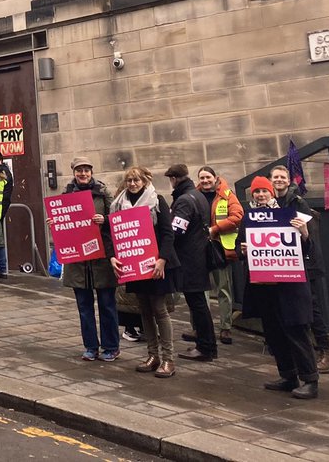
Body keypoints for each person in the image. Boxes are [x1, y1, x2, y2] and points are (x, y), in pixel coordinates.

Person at [242, 176, 319, 399]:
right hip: (265, 286)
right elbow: (240, 246)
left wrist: (304, 232)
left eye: (264, 191)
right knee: (274, 332)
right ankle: (288, 376)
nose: (260, 195)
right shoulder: (250, 218)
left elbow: (308, 245)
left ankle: (310, 379)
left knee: (296, 331)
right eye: (256, 192)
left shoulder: (289, 214)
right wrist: (243, 249)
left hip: (290, 285)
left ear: (272, 193)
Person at [110, 166, 179, 378]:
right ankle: (153, 355)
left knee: (159, 310)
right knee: (144, 311)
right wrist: (113, 256)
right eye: (129, 180)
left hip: (156, 265)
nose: (132, 184)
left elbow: (168, 234)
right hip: (135, 266)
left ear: (144, 181)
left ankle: (168, 359)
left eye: (136, 180)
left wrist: (162, 260)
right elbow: (115, 234)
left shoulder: (157, 201)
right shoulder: (119, 204)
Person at [272, 165, 329, 373]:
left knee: (312, 309)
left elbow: (309, 235)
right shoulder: (271, 203)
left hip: (306, 263)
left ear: (288, 180)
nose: (278, 180)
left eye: (282, 177)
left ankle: (325, 352)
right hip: (284, 264)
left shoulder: (298, 203)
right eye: (275, 177)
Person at [58, 158, 119, 362]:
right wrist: (54, 222)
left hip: (102, 258)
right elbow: (63, 223)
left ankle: (111, 346)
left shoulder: (104, 193)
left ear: (91, 172)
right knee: (84, 308)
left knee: (107, 305)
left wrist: (105, 220)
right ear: (74, 172)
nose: (83, 174)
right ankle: (91, 346)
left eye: (86, 170)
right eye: (79, 170)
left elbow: (118, 218)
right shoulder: (66, 195)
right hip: (78, 262)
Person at [166, 163, 216, 362]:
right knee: (200, 304)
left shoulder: (185, 200)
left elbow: (177, 230)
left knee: (197, 305)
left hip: (189, 259)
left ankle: (205, 347)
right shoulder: (198, 195)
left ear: (174, 179)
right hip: (198, 256)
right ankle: (206, 345)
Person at [198, 166, 242, 345]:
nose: (205, 181)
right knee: (202, 290)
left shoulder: (227, 194)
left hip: (220, 247)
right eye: (202, 178)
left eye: (208, 177)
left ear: (215, 178)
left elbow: (238, 215)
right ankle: (202, 326)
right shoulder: (195, 195)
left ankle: (225, 327)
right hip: (200, 248)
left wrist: (215, 229)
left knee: (224, 288)